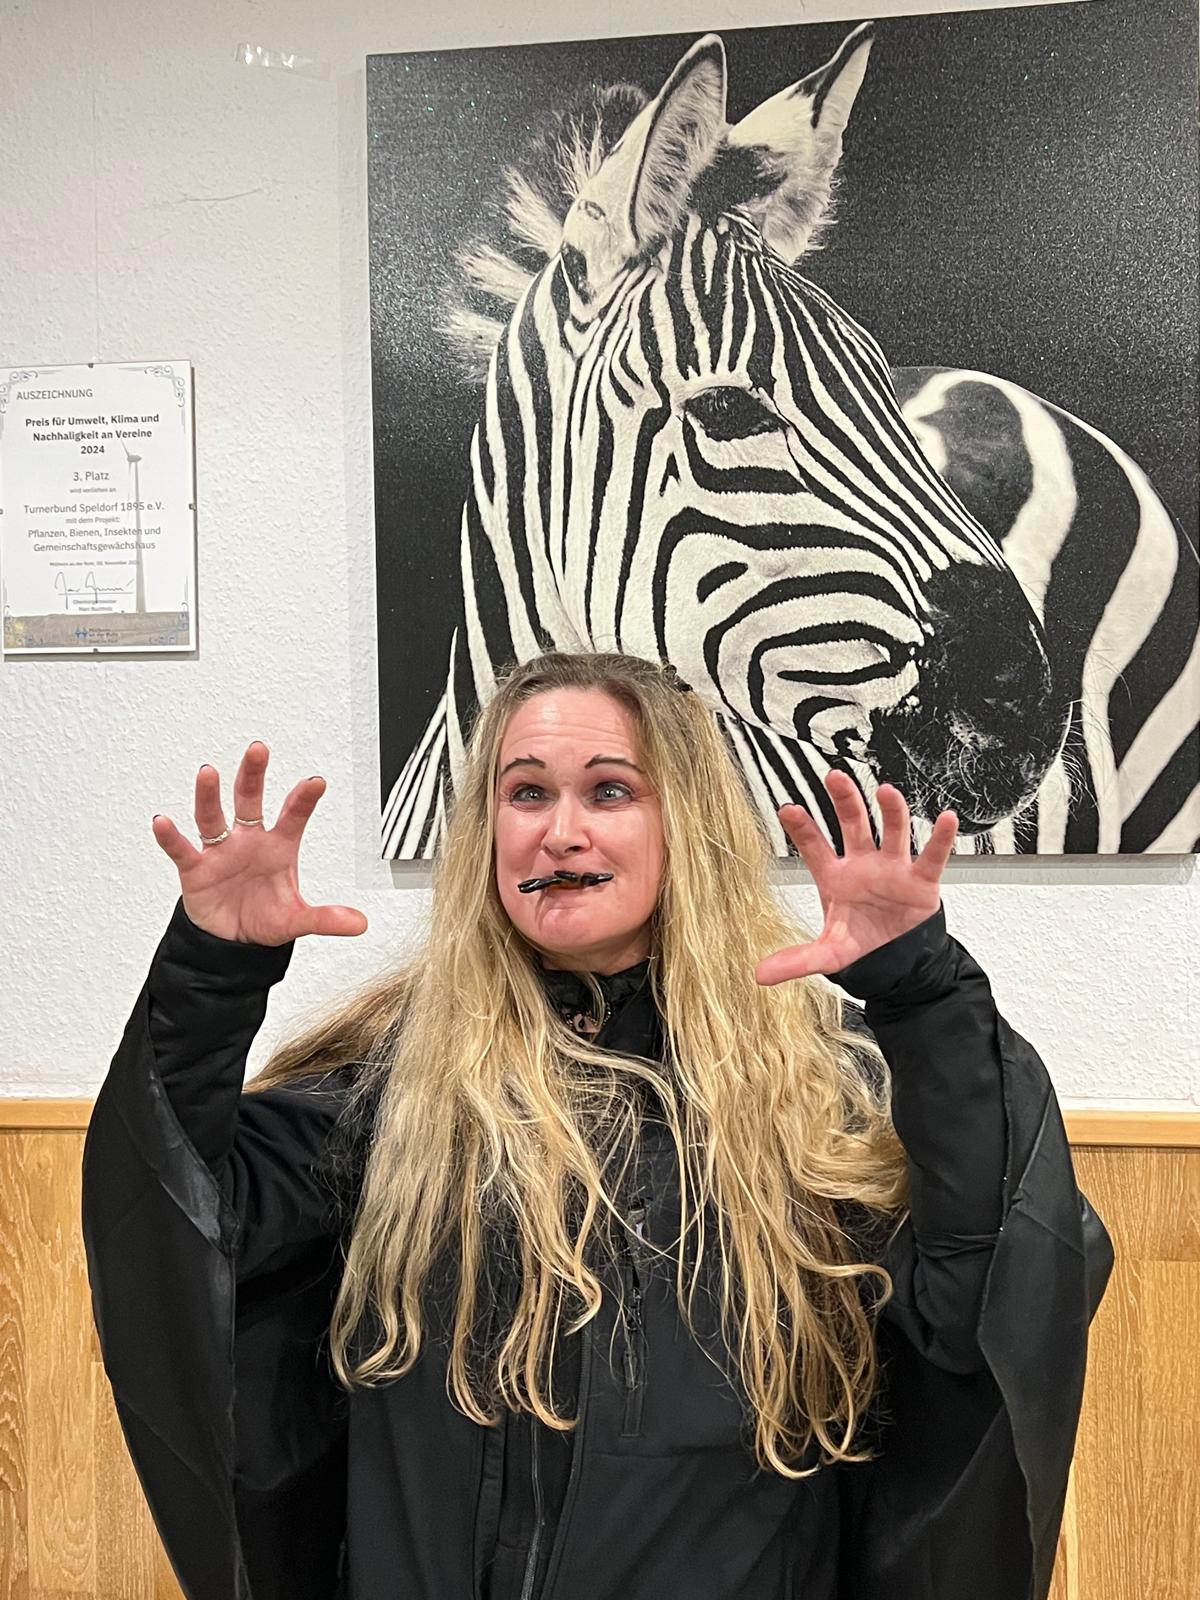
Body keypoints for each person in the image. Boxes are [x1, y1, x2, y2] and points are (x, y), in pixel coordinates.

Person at [83, 651, 1112, 1600]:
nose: (560, 832)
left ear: (685, 826)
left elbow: (991, 1281)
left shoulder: (811, 1087)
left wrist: (920, 990)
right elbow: (178, 1215)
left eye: (609, 791)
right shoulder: (398, 1083)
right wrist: (214, 975)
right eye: (526, 792)